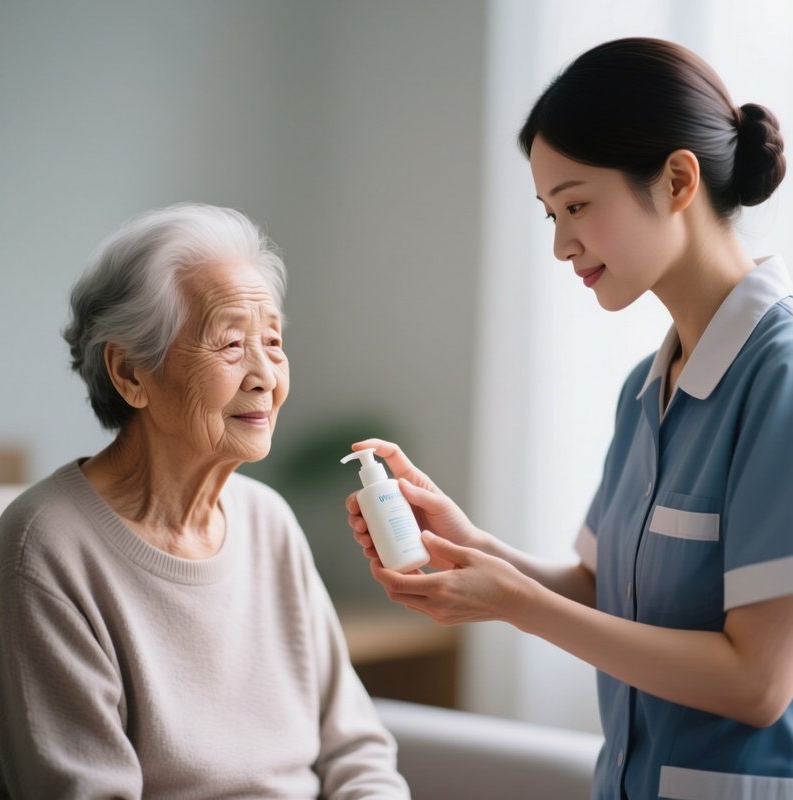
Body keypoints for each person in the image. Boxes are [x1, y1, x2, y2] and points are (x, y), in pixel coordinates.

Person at [346, 38, 793, 799]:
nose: (560, 244)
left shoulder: (778, 377)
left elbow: (757, 683)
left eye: (578, 205)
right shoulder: (644, 390)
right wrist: (468, 545)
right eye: (551, 213)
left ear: (678, 179)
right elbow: (597, 587)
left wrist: (516, 606)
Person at [0, 203, 410, 799]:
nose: (266, 373)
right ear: (130, 372)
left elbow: (356, 749)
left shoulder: (268, 520)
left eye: (273, 340)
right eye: (232, 344)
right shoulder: (46, 547)